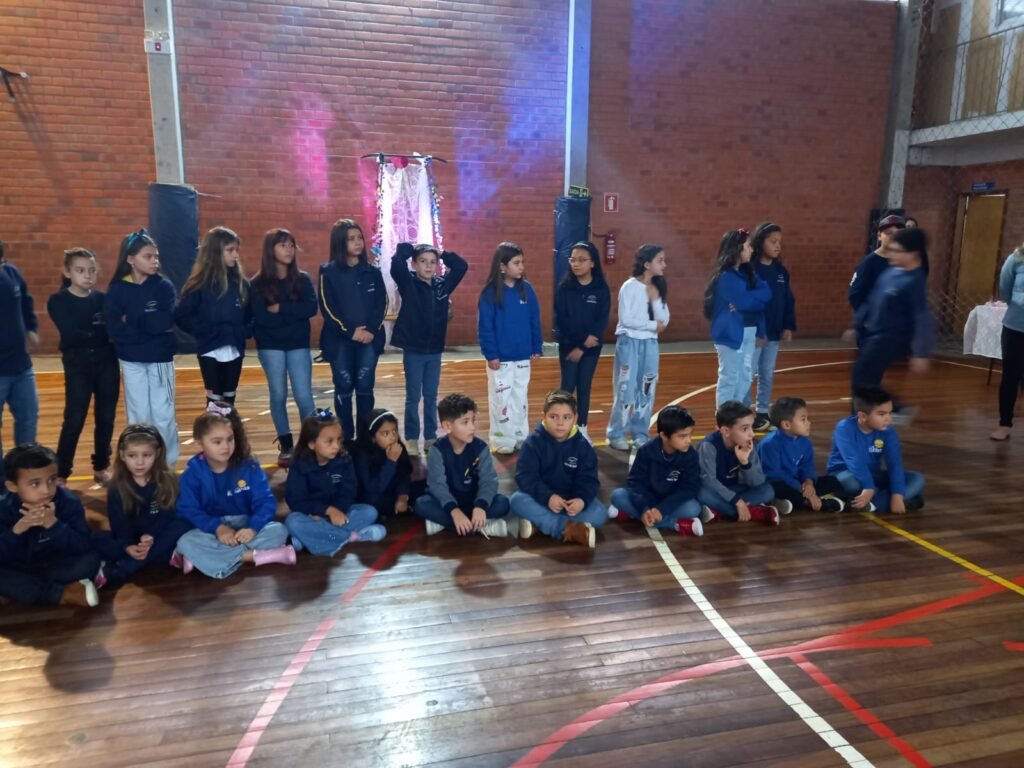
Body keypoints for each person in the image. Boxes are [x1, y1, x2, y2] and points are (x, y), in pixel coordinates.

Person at [173, 403, 295, 578]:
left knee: (279, 531)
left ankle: (206, 558)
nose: (225, 446)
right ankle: (258, 556)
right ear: (200, 443)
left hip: (245, 525)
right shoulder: (192, 474)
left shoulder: (250, 467)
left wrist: (253, 528)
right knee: (186, 541)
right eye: (217, 442)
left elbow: (266, 501)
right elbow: (188, 509)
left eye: (230, 439)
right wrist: (217, 528)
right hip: (212, 530)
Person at [105, 229, 180, 465]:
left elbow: (164, 322)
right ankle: (140, 463)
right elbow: (115, 328)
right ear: (130, 259)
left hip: (160, 359)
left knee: (163, 414)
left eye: (156, 256)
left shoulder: (164, 287)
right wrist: (147, 323)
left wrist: (133, 319)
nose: (154, 261)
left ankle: (167, 465)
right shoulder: (117, 289)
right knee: (138, 415)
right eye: (148, 256)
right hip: (131, 360)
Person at [47, 248, 119, 484]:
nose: (87, 275)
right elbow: (72, 333)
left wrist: (101, 335)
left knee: (106, 418)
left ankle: (101, 466)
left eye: (91, 270)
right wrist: (99, 334)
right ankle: (62, 472)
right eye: (80, 270)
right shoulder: (58, 301)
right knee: (74, 418)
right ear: (67, 272)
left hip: (107, 364)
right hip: (78, 367)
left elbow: (112, 331)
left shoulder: (103, 300)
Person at [390, 242, 468, 456]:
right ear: (414, 264)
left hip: (434, 351)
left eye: (433, 262)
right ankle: (412, 438)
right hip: (414, 350)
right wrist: (410, 249)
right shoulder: (408, 283)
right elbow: (397, 264)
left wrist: (442, 253)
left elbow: (461, 266)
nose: (428, 266)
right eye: (423, 261)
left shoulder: (443, 285)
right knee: (413, 396)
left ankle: (431, 436)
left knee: (431, 396)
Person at [0, 444, 101, 607]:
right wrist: (16, 531)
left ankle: (20, 591)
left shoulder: (69, 502)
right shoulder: (4, 508)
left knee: (90, 561)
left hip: (54, 564)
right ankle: (60, 594)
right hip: (17, 565)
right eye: (35, 483)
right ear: (12, 486)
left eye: (52, 480)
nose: (46, 490)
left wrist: (54, 525)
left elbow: (82, 546)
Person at [92, 425, 192, 588]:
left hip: (158, 534)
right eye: (132, 455)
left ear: (157, 454)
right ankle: (164, 556)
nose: (139, 462)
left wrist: (151, 535)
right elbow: (119, 523)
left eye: (146, 455)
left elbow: (169, 515)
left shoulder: (170, 481)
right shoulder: (117, 487)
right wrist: (128, 546)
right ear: (122, 455)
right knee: (94, 540)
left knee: (184, 524)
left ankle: (124, 568)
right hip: (134, 537)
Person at [250, 228, 318, 466]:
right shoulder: (257, 284)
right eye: (283, 245)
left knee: (303, 395)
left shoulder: (302, 279)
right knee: (278, 393)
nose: (289, 249)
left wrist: (281, 309)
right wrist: (292, 315)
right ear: (271, 250)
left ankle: (312, 443)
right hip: (270, 345)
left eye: (291, 245)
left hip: (298, 343)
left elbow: (310, 309)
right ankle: (286, 444)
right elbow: (261, 318)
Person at [510, 390, 607, 548]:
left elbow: (589, 480)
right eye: (554, 417)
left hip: (570, 504)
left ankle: (539, 525)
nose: (560, 423)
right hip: (542, 499)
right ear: (544, 416)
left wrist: (581, 500)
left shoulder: (583, 447)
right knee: (516, 501)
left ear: (575, 418)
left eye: (566, 417)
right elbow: (525, 477)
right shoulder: (532, 443)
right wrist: (548, 497)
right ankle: (567, 529)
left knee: (600, 513)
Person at [850, 227, 933, 409]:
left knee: (862, 377)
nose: (891, 255)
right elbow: (872, 300)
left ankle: (885, 410)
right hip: (873, 334)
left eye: (897, 251)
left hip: (891, 339)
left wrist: (920, 352)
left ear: (913, 254)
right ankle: (890, 410)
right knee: (864, 380)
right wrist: (856, 324)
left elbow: (921, 317)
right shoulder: (890, 273)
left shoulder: (914, 281)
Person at [319, 219, 386, 441]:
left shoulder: (372, 272)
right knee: (344, 386)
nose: (357, 242)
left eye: (359, 238)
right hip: (340, 340)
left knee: (365, 386)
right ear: (340, 242)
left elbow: (382, 303)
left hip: (369, 339)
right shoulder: (328, 272)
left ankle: (365, 438)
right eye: (351, 239)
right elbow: (327, 307)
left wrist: (371, 330)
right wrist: (350, 332)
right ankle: (346, 438)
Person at [284, 410, 385, 556]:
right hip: (311, 515)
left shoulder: (344, 460)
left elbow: (349, 492)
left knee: (370, 512)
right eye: (329, 441)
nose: (336, 446)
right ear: (311, 444)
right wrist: (325, 511)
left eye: (339, 440)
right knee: (292, 521)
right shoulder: (299, 465)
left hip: (339, 513)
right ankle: (353, 537)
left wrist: (336, 511)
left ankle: (310, 538)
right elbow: (296, 501)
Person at [415, 393, 514, 537]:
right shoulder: (437, 450)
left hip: (474, 501)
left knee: (503, 503)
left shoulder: (481, 448)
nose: (472, 427)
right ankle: (482, 526)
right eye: (465, 422)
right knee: (421, 504)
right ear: (447, 426)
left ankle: (448, 524)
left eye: (473, 420)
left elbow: (488, 481)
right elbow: (438, 486)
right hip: (448, 503)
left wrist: (480, 506)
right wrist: (454, 510)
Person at [477, 242, 542, 454]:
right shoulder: (490, 293)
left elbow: (534, 319)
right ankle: (501, 439)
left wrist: (536, 346)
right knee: (501, 399)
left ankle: (520, 435)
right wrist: (491, 354)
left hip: (523, 356)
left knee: (519, 397)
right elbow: (485, 327)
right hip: (500, 360)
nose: (521, 266)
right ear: (502, 266)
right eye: (516, 263)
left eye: (522, 262)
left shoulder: (527, 289)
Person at [175, 226, 251, 407]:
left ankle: (229, 425)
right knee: (214, 400)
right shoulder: (198, 285)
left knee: (229, 399)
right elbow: (181, 315)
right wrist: (202, 331)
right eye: (230, 250)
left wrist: (243, 332)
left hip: (234, 347)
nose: (236, 255)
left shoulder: (241, 284)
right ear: (215, 252)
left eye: (237, 250)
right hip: (209, 348)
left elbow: (251, 314)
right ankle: (214, 426)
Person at [607, 244, 670, 450]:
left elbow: (664, 319)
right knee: (625, 389)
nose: (664, 265)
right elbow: (627, 319)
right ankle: (616, 433)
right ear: (647, 264)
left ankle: (640, 433)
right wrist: (652, 325)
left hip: (650, 344)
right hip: (629, 343)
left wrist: (656, 303)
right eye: (660, 260)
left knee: (647, 389)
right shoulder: (629, 287)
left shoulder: (658, 287)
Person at [827, 387, 925, 514]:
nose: (888, 419)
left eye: (890, 413)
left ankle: (871, 504)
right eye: (882, 414)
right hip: (845, 474)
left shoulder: (888, 431)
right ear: (863, 416)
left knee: (917, 478)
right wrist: (869, 487)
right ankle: (905, 500)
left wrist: (897, 495)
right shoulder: (844, 428)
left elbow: (895, 464)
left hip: (873, 475)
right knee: (852, 484)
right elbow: (854, 461)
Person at [608, 405, 703, 536]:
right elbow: (635, 483)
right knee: (617, 495)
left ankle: (632, 514)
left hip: (671, 502)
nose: (689, 440)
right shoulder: (646, 451)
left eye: (690, 435)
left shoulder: (690, 455)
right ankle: (674, 524)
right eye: (682, 436)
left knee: (693, 508)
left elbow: (690, 488)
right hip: (647, 500)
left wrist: (662, 509)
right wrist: (644, 509)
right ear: (664, 436)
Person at [705, 229, 770, 410]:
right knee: (730, 376)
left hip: (749, 331)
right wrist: (750, 300)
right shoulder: (726, 277)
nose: (752, 250)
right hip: (731, 333)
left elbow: (766, 293)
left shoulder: (747, 273)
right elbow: (746, 302)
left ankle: (735, 413)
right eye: (748, 246)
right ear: (737, 249)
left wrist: (749, 300)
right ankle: (724, 417)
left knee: (746, 375)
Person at [554, 241, 610, 444]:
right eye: (572, 260)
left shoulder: (601, 289)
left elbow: (601, 321)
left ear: (592, 263)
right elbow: (562, 321)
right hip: (569, 346)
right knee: (567, 388)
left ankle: (582, 427)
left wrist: (585, 346)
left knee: (584, 387)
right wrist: (579, 344)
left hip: (591, 348)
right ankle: (563, 428)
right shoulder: (564, 288)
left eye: (581, 260)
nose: (576, 264)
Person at [756, 397, 846, 513]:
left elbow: (807, 466)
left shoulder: (805, 442)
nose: (808, 422)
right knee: (776, 488)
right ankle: (814, 502)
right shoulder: (769, 444)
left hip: (797, 483)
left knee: (833, 481)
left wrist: (809, 483)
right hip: (777, 483)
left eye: (807, 419)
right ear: (786, 424)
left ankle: (799, 501)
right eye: (803, 419)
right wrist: (800, 488)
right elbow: (774, 474)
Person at [696, 401, 780, 525]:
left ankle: (719, 511)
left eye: (751, 427)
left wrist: (745, 463)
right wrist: (737, 501)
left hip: (736, 489)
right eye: (745, 428)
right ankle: (754, 512)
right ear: (726, 431)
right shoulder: (709, 446)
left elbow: (757, 482)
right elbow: (709, 482)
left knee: (767, 491)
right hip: (716, 491)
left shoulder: (747, 444)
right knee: (701, 492)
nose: (752, 434)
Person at [746, 223, 795, 431]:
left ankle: (762, 412)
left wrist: (788, 325)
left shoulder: (781, 271)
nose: (777, 246)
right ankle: (745, 414)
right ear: (760, 242)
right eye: (773, 241)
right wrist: (757, 329)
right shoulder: (750, 270)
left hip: (773, 334)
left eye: (779, 242)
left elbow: (788, 300)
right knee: (748, 374)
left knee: (767, 373)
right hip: (755, 334)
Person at [0, 240, 40, 483]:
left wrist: (32, 327)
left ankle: (24, 472)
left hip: (21, 367)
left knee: (28, 418)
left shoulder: (12, 274)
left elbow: (26, 301)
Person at [349, 409, 420, 519]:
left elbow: (404, 473)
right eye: (385, 433)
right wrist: (391, 462)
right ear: (372, 437)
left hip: (393, 491)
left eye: (394, 431)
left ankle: (402, 507)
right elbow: (373, 487)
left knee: (424, 488)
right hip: (373, 495)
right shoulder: (361, 455)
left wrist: (402, 495)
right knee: (372, 503)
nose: (392, 437)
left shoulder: (397, 446)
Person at [846, 213, 904, 344]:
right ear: (879, 236)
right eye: (888, 233)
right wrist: (868, 317)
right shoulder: (869, 263)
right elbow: (855, 294)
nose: (893, 237)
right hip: (873, 327)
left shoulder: (904, 261)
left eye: (898, 234)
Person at [991, 245, 1024, 441]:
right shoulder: (1016, 259)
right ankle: (1004, 423)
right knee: (1010, 377)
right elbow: (1005, 289)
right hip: (1015, 327)